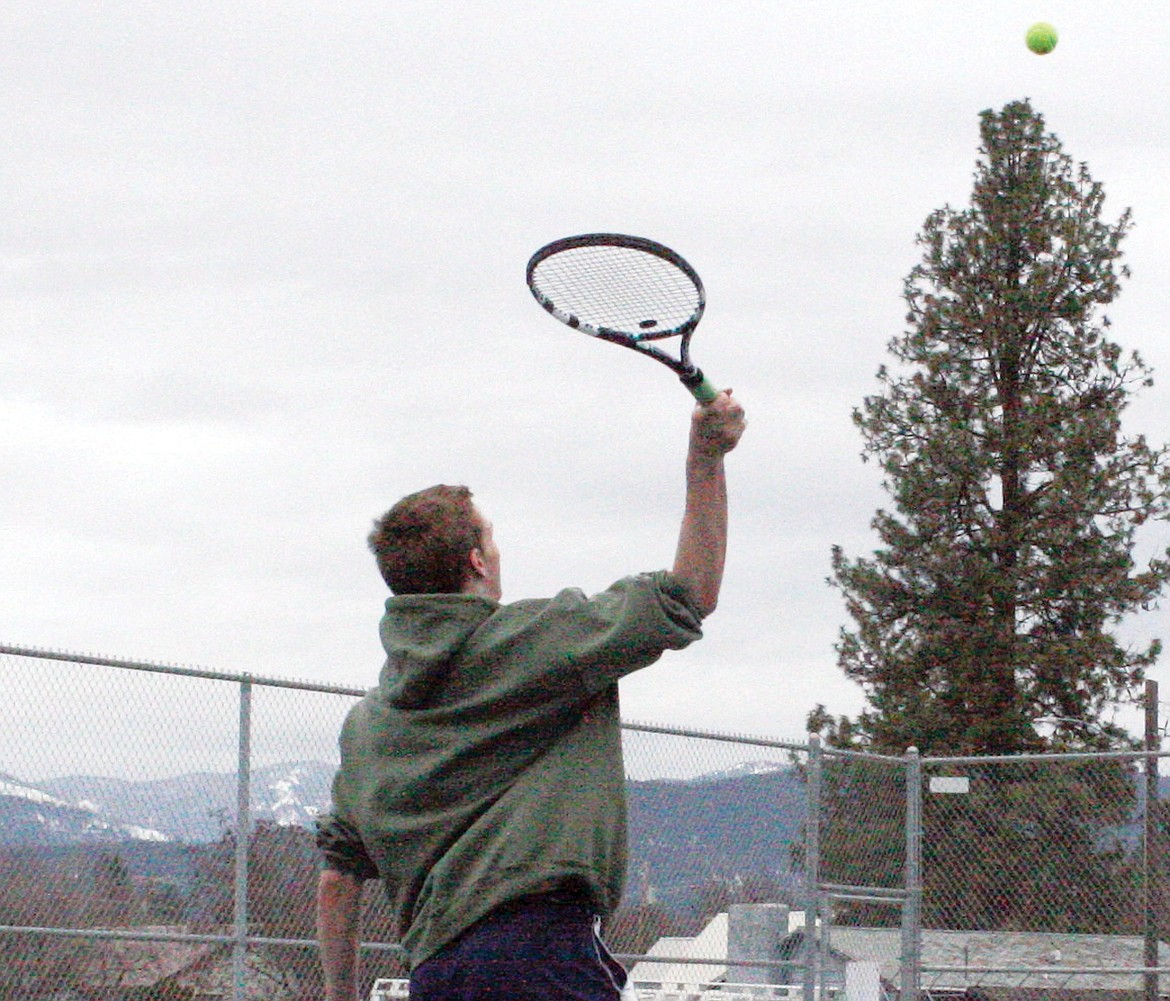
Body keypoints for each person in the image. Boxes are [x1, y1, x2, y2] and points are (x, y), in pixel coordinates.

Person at [316, 390, 746, 1001]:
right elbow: (690, 592)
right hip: (538, 958)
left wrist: (338, 997)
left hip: (435, 977)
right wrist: (707, 458)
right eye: (490, 539)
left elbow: (339, 878)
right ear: (476, 562)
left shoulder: (366, 727)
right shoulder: (538, 643)